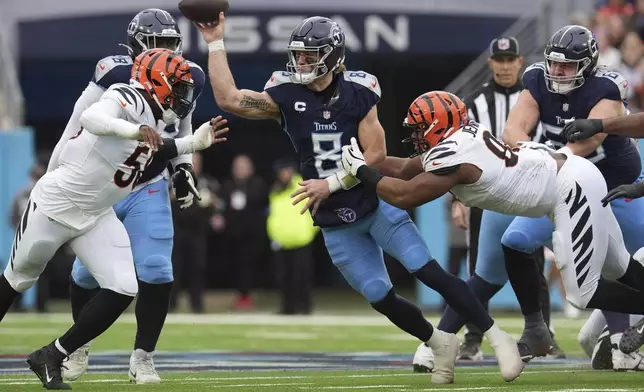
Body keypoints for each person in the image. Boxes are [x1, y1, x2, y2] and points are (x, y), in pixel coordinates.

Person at [196, 13, 523, 384]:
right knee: (378, 295)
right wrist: (215, 42)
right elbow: (230, 99)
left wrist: (329, 183)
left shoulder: (359, 91)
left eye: (309, 55)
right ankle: (437, 340)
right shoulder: (285, 94)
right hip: (335, 220)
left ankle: (498, 338)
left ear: (332, 56)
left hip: (372, 199)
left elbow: (377, 156)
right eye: (299, 56)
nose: (300, 63)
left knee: (425, 268)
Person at [340, 90, 644, 368]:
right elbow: (406, 169)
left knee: (582, 292)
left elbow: (404, 194)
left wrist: (361, 171)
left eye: (421, 127)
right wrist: (362, 164)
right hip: (566, 178)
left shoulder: (455, 156)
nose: (416, 134)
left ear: (438, 125)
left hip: (569, 185)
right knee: (618, 266)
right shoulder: (461, 138)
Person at [0, 48, 225, 390]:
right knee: (17, 281)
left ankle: (52, 355)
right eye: (178, 87)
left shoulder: (160, 118)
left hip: (95, 214)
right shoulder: (126, 96)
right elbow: (93, 118)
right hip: (55, 205)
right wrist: (133, 132)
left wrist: (191, 143)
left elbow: (159, 148)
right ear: (157, 82)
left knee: (123, 286)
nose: (184, 96)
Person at [58, 9, 206, 384]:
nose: (165, 51)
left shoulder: (187, 76)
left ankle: (143, 357)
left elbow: (183, 126)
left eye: (171, 44)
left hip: (147, 182)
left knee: (156, 268)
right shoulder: (113, 73)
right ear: (137, 44)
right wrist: (56, 175)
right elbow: (79, 120)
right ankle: (78, 344)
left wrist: (183, 168)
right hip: (102, 184)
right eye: (157, 43)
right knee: (86, 273)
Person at [499, 24, 644, 370]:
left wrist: (545, 160)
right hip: (563, 181)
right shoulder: (536, 79)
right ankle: (535, 326)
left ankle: (621, 341)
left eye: (567, 66)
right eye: (554, 64)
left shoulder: (606, 87)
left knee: (625, 264)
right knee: (515, 240)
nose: (557, 72)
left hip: (617, 187)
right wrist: (536, 157)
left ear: (588, 65)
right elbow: (512, 130)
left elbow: (585, 145)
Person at [439, 35, 563, 361]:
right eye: (500, 60)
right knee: (480, 265)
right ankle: (473, 337)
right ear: (491, 63)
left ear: (520, 62)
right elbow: (458, 153)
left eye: (511, 61)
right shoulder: (474, 102)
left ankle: (542, 333)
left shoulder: (535, 97)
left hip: (529, 191)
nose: (506, 66)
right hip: (486, 195)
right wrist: (457, 198)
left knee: (533, 264)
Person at [267, 159, 318, 315]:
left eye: (286, 170)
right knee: (283, 277)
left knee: (301, 276)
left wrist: (309, 231)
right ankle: (287, 307)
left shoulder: (303, 186)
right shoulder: (275, 190)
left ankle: (304, 307)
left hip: (301, 239)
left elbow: (315, 209)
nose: (283, 174)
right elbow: (275, 214)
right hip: (282, 241)